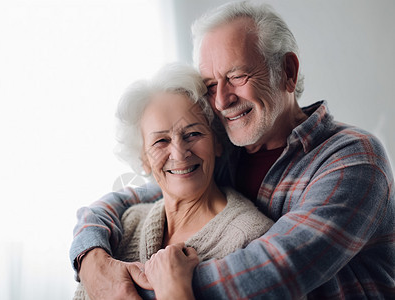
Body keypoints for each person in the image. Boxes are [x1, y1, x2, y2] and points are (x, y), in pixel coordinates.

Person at [70, 1, 395, 299]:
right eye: (211, 85)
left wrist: (154, 284)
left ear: (288, 72)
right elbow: (137, 196)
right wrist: (92, 260)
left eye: (237, 76)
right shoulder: (228, 145)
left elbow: (275, 271)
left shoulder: (353, 159)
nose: (222, 100)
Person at [72, 63, 274, 300]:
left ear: (217, 142)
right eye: (161, 142)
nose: (179, 153)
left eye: (193, 134)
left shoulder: (253, 239)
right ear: (143, 158)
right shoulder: (127, 224)